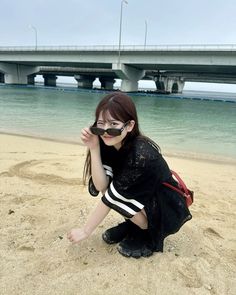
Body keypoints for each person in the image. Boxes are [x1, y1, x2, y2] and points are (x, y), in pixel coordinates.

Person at [67, 92, 192, 258]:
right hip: (143, 201)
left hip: (164, 208)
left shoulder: (141, 153)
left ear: (129, 125)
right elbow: (101, 186)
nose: (105, 131)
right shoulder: (110, 142)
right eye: (101, 123)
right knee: (112, 190)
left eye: (113, 124)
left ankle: (146, 232)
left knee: (115, 194)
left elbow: (112, 197)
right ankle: (134, 226)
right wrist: (94, 148)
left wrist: (85, 230)